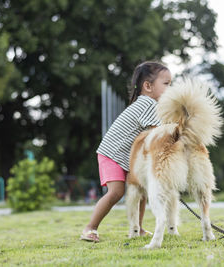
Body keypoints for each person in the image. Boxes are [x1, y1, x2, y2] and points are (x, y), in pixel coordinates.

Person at [80, 61, 172, 242]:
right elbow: (157, 133)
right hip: (112, 154)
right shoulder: (148, 103)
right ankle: (90, 228)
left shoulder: (148, 104)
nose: (170, 88)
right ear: (148, 86)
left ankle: (138, 228)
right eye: (166, 84)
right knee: (116, 192)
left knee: (142, 190)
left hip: (125, 157)